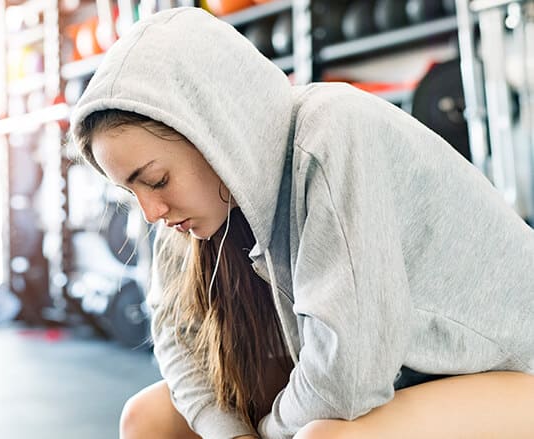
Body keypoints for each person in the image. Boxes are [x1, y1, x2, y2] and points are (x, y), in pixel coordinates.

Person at [67, 6, 534, 439]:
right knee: (146, 418)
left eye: (156, 179)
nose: (150, 212)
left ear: (210, 132)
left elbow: (348, 380)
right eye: (133, 192)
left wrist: (266, 431)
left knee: (322, 435)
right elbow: (180, 347)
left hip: (509, 372)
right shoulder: (194, 211)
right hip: (403, 374)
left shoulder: (331, 132)